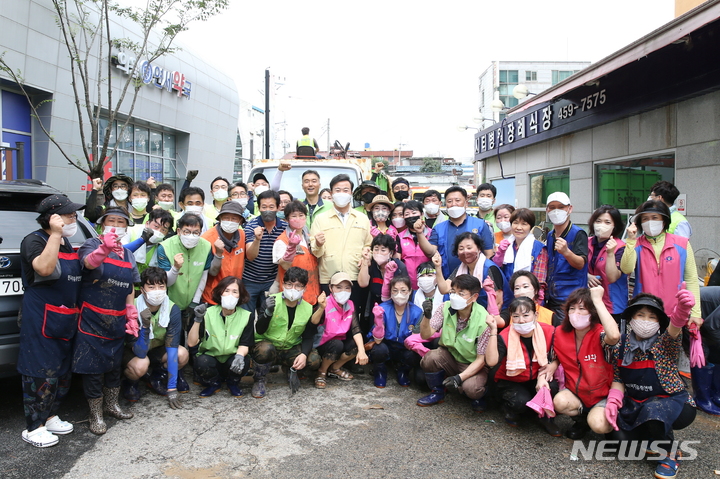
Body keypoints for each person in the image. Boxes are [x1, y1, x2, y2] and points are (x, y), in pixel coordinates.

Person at [620, 200, 706, 410]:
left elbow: (692, 279)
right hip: (645, 315)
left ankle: (667, 399)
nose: (650, 222)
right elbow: (626, 268)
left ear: (665, 220)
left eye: (655, 218)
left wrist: (695, 312)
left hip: (674, 314)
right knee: (643, 357)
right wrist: (630, 241)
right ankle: (642, 398)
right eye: (645, 219)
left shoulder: (682, 243)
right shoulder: (637, 243)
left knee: (668, 358)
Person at [605, 292, 697, 479]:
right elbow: (618, 377)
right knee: (617, 439)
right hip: (636, 403)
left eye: (652, 316)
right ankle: (651, 438)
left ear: (659, 322)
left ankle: (670, 454)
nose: (646, 321)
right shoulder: (620, 345)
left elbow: (675, 327)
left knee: (654, 411)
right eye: (640, 315)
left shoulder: (664, 343)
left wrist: (683, 309)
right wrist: (613, 401)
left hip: (673, 403)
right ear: (631, 318)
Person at [17, 194, 84, 447]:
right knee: (40, 372)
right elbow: (44, 269)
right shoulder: (34, 240)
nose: (73, 218)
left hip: (65, 318)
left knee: (61, 372)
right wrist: (55, 234)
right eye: (68, 215)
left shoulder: (67, 243)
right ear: (52, 218)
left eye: (74, 215)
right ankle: (33, 427)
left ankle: (50, 415)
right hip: (41, 317)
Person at [73, 207, 140, 435]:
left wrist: (131, 311)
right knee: (93, 369)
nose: (116, 225)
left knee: (113, 366)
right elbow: (89, 264)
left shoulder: (129, 255)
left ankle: (112, 405)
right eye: (111, 221)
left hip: (117, 320)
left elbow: (130, 285)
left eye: (121, 222)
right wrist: (104, 249)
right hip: (92, 318)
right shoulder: (91, 245)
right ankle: (96, 414)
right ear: (102, 225)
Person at [541, 287, 620, 439]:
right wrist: (554, 364)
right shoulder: (559, 333)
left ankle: (609, 417)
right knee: (559, 402)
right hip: (577, 393)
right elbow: (554, 355)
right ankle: (581, 421)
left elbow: (615, 336)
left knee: (598, 424)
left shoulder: (600, 334)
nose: (575, 313)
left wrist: (597, 300)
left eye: (582, 309)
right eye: (572, 308)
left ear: (593, 312)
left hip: (603, 395)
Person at [485, 297, 560, 436]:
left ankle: (546, 417)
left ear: (535, 315)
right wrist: (493, 331)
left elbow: (558, 356)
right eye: (516, 316)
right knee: (520, 402)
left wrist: (551, 367)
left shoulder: (549, 331)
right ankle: (509, 408)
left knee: (552, 388)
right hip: (510, 380)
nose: (521, 320)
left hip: (537, 376)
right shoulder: (505, 336)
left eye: (526, 315)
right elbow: (491, 362)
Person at [417, 274, 491, 412]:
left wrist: (459, 378)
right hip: (450, 356)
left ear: (474, 297)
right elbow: (425, 334)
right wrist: (426, 317)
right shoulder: (445, 307)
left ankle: (480, 396)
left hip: (472, 363)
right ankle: (438, 392)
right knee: (430, 358)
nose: (455, 296)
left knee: (472, 389)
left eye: (461, 294)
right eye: (453, 292)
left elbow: (481, 360)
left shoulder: (484, 320)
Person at [252, 267, 324, 398]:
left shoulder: (308, 308)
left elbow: (308, 336)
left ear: (304, 288)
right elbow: (259, 329)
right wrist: (268, 313)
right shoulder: (271, 300)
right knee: (264, 350)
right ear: (283, 284)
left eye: (298, 286)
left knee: (313, 359)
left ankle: (289, 369)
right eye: (289, 284)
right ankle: (259, 379)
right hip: (269, 346)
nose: (293, 289)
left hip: (290, 347)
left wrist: (303, 354)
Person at [123, 267, 188, 405]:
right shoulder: (132, 307)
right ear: (142, 289)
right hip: (136, 351)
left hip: (157, 348)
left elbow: (172, 347)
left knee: (182, 354)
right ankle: (131, 383)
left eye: (161, 286)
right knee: (141, 364)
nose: (157, 291)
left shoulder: (172, 309)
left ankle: (157, 376)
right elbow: (140, 352)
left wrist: (172, 388)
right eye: (151, 287)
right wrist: (145, 327)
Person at [310, 173, 373, 314]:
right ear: (331, 193)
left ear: (351, 193)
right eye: (337, 190)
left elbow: (369, 245)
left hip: (355, 277)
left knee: (354, 316)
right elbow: (314, 250)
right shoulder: (321, 219)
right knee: (329, 317)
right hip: (329, 278)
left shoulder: (362, 218)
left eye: (346, 190)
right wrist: (318, 244)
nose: (342, 194)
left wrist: (367, 256)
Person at [188, 276, 254, 397]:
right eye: (226, 291)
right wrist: (197, 319)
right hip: (211, 358)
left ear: (240, 296)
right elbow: (192, 343)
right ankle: (213, 384)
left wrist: (239, 357)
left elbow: (245, 343)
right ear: (220, 293)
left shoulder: (247, 316)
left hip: (231, 359)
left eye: (235, 292)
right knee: (201, 361)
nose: (230, 295)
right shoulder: (207, 313)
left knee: (244, 360)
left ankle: (233, 383)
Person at [419, 186, 494, 279]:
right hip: (447, 280)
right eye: (449, 201)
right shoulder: (438, 228)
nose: (453, 204)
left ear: (466, 203)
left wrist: (482, 275)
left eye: (457, 200)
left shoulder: (480, 224)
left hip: (475, 280)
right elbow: (431, 252)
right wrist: (419, 233)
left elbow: (489, 254)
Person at [157, 213, 213, 331]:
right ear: (179, 231)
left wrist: (196, 301)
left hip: (195, 300)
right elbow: (166, 282)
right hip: (171, 301)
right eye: (186, 231)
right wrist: (176, 268)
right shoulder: (165, 247)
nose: (191, 236)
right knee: (176, 337)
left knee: (195, 338)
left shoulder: (207, 246)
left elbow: (204, 274)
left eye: (196, 232)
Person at [436, 232, 508, 321]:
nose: (465, 251)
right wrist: (438, 267)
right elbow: (444, 289)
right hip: (472, 317)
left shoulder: (490, 268)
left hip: (494, 318)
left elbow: (498, 303)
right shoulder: (460, 269)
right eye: (461, 249)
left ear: (479, 249)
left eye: (469, 248)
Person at [367, 276, 424, 388]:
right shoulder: (382, 309)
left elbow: (417, 337)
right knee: (379, 349)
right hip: (386, 344)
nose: (399, 294)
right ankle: (380, 372)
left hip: (405, 347)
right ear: (390, 292)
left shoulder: (417, 312)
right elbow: (376, 338)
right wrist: (378, 320)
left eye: (403, 290)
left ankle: (403, 371)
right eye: (395, 290)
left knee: (413, 354)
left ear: (410, 291)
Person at [315, 272, 369, 388]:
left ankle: (334, 368)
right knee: (337, 344)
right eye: (338, 287)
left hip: (340, 341)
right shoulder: (325, 303)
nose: (343, 291)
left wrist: (361, 350)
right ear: (330, 288)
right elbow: (313, 323)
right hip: (322, 343)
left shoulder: (350, 304)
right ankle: (322, 371)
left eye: (347, 288)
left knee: (357, 343)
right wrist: (320, 308)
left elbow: (355, 329)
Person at [244, 189, 288, 320]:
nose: (267, 210)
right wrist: (257, 239)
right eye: (264, 207)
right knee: (247, 317)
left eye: (271, 207)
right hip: (250, 280)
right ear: (258, 208)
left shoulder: (285, 227)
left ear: (278, 207)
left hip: (272, 281)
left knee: (270, 316)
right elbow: (250, 256)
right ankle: (247, 341)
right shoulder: (251, 226)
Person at [544, 192, 588, 319]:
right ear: (547, 210)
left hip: (572, 299)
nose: (556, 211)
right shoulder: (550, 235)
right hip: (552, 297)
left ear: (569, 209)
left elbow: (581, 264)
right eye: (552, 207)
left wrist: (567, 252)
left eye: (561, 207)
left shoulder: (578, 234)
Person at [493, 208, 547, 299]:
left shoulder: (539, 248)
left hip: (529, 300)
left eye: (524, 224)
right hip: (506, 298)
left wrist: (537, 303)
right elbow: (496, 269)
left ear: (531, 226)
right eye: (515, 223)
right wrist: (500, 253)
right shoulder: (507, 245)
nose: (518, 227)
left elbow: (540, 281)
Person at [273, 200, 319, 305]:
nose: (298, 219)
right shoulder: (281, 240)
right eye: (294, 216)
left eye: (301, 215)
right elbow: (285, 265)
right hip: (293, 295)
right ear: (287, 219)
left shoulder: (309, 237)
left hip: (312, 292)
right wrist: (291, 247)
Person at [201, 201, 246, 305]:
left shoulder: (242, 235)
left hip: (234, 295)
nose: (230, 221)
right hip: (213, 295)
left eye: (234, 218)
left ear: (240, 221)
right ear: (220, 219)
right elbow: (210, 272)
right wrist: (218, 253)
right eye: (226, 217)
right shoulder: (207, 239)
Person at [358, 234, 408, 324]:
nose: (379, 253)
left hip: (394, 306)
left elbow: (404, 291)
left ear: (391, 253)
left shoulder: (399, 267)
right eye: (376, 249)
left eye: (383, 250)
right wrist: (365, 261)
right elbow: (363, 283)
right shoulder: (371, 264)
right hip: (374, 306)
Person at [587, 205, 628, 315]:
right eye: (598, 221)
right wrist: (587, 276)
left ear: (615, 226)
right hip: (588, 303)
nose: (601, 225)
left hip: (612, 305)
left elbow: (613, 277)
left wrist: (610, 253)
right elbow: (576, 266)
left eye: (607, 222)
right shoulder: (587, 242)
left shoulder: (621, 247)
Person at [404, 262, 443, 359]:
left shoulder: (445, 294)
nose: (426, 278)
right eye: (422, 275)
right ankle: (427, 356)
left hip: (439, 332)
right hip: (419, 333)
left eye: (430, 275)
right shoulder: (412, 295)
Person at [123, 208, 173, 276]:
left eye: (163, 230)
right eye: (156, 226)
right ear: (147, 223)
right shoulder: (130, 231)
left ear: (167, 233)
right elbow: (120, 251)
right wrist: (142, 239)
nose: (158, 231)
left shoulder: (163, 247)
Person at [397, 200, 432, 289]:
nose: (411, 216)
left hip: (428, 283)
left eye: (414, 213)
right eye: (407, 214)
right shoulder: (400, 237)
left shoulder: (432, 234)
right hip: (407, 284)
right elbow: (397, 260)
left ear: (421, 214)